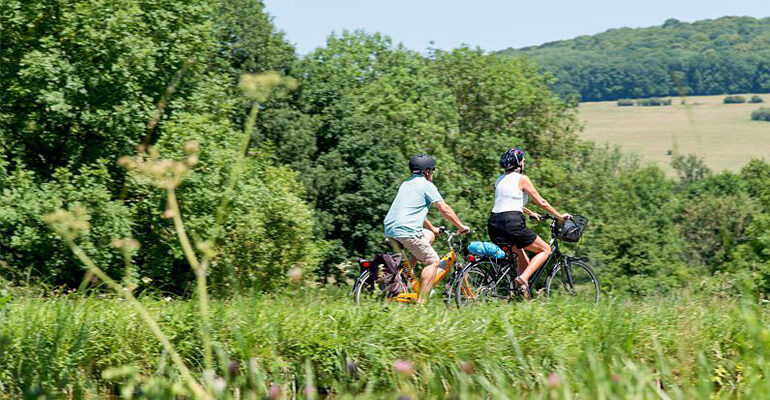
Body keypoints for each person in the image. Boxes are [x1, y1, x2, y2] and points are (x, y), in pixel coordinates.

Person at [384, 154, 470, 304]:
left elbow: (414, 211)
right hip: (407, 231)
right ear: (427, 171)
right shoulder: (427, 185)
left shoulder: (406, 184)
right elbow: (445, 209)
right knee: (432, 261)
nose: (433, 173)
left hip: (391, 229)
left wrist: (433, 228)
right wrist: (460, 226)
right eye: (433, 170)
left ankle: (407, 269)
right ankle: (421, 302)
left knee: (429, 236)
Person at [487, 147, 571, 299]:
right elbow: (542, 202)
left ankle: (520, 297)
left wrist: (532, 214)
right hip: (512, 224)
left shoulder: (499, 180)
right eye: (523, 160)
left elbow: (509, 201)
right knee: (545, 249)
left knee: (523, 260)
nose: (525, 163)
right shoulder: (522, 179)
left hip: (494, 224)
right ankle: (523, 278)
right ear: (518, 163)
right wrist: (559, 216)